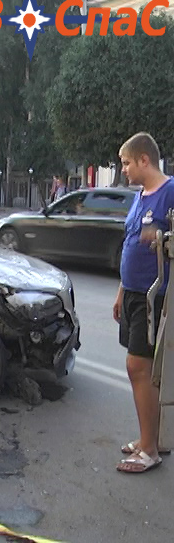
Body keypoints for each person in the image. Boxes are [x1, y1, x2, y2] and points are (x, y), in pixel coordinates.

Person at [113, 132, 174, 474]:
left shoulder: (170, 192)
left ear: (144, 160)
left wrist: (163, 239)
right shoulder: (140, 196)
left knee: (139, 369)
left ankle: (149, 450)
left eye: (126, 163)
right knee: (145, 372)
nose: (123, 170)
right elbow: (131, 243)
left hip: (156, 296)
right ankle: (148, 438)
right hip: (134, 293)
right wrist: (122, 291)